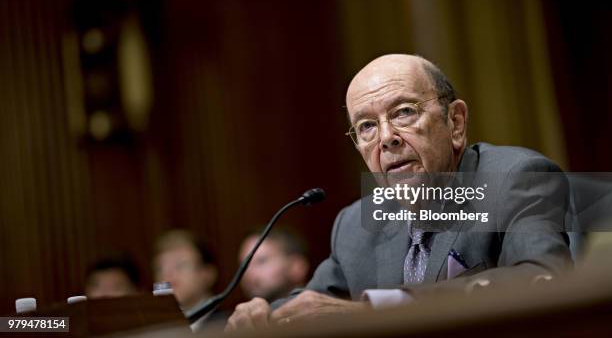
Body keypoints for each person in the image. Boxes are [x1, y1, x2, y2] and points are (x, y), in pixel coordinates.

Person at [226, 54, 573, 330]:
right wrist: (263, 317)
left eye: (404, 112)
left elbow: (541, 278)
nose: (386, 137)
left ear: (455, 123)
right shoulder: (355, 225)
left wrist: (376, 312)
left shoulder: (516, 178)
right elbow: (314, 304)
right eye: (366, 127)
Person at [153, 229, 220, 319]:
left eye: (180, 265)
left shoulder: (231, 325)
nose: (168, 274)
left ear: (207, 274)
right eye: (160, 269)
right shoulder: (150, 329)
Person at [238, 228, 310, 302]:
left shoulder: (320, 309)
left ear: (296, 267)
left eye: (261, 261)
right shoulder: (235, 313)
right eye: (243, 266)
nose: (248, 273)